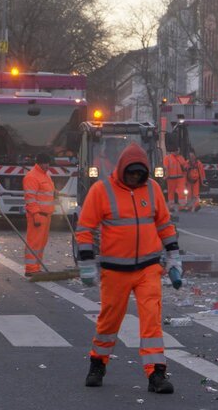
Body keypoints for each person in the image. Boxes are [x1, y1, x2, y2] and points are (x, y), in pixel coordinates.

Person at [76, 143, 180, 394]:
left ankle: (156, 373)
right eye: (131, 173)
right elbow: (85, 229)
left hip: (148, 268)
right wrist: (87, 263)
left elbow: (164, 224)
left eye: (139, 174)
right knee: (109, 321)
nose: (134, 178)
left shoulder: (152, 189)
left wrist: (174, 255)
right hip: (115, 271)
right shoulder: (102, 190)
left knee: (152, 320)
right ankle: (97, 363)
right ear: (122, 169)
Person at [23, 153, 55, 277]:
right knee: (34, 242)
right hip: (37, 215)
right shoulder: (32, 177)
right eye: (45, 163)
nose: (47, 166)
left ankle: (36, 267)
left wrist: (55, 193)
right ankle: (30, 268)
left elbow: (46, 191)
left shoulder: (46, 175)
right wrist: (35, 214)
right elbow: (30, 198)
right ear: (39, 163)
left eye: (48, 163)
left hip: (46, 215)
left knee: (41, 244)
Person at [163, 146, 187, 211]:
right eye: (176, 150)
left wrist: (185, 168)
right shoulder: (167, 158)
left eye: (178, 150)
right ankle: (171, 207)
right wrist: (166, 176)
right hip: (171, 178)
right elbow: (166, 168)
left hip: (180, 178)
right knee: (171, 193)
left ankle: (182, 207)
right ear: (173, 151)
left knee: (181, 192)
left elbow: (185, 166)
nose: (177, 152)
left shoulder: (181, 158)